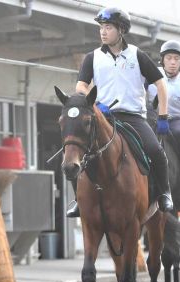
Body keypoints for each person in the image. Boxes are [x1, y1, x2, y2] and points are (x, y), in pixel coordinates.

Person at [66, 6, 173, 217]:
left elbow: (161, 83)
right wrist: (94, 104)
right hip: (102, 116)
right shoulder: (92, 57)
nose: (103, 32)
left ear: (121, 30)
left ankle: (164, 194)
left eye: (108, 27)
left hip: (133, 117)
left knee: (157, 152)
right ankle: (79, 200)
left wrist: (162, 116)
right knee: (73, 151)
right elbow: (81, 86)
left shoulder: (137, 55)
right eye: (101, 28)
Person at [146, 40, 180, 189]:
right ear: (162, 60)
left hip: (174, 120)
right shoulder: (151, 74)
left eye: (176, 59)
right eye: (169, 58)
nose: (172, 62)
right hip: (152, 117)